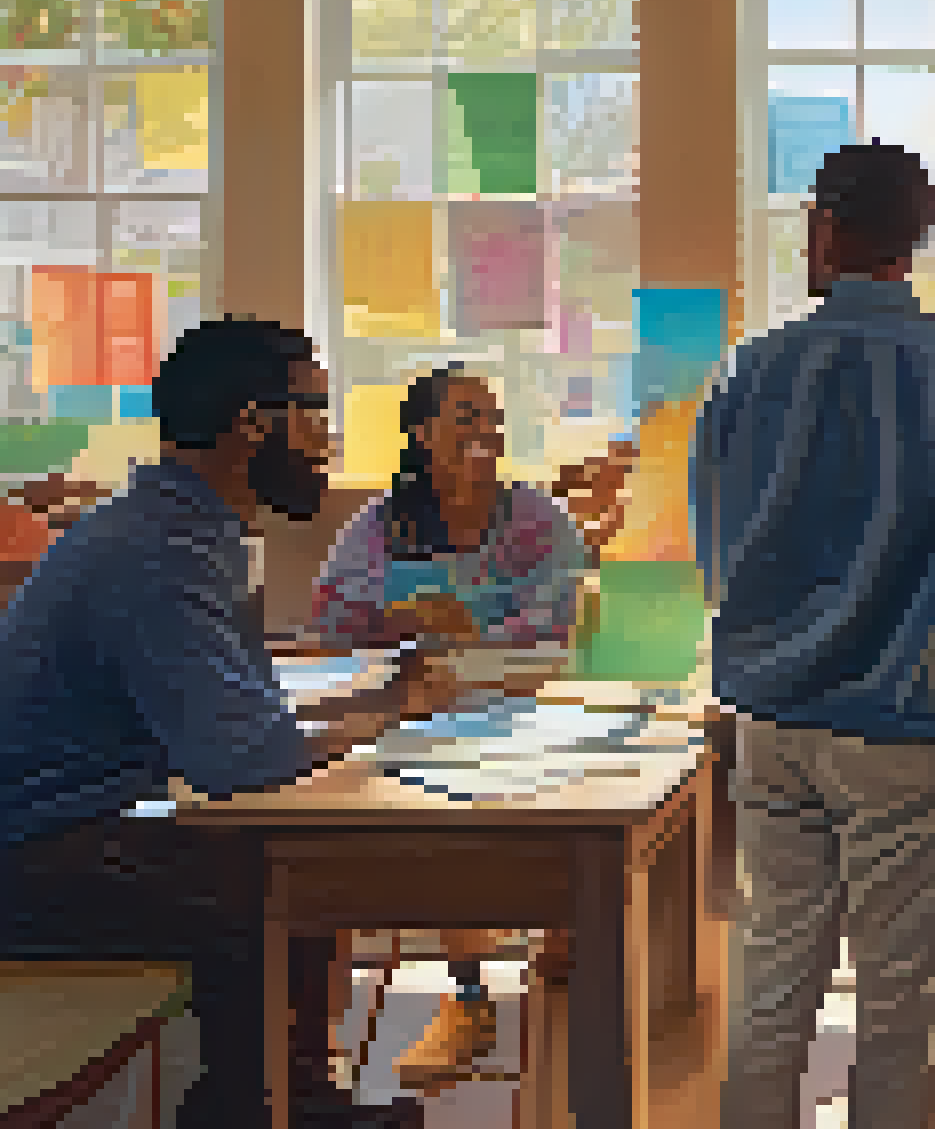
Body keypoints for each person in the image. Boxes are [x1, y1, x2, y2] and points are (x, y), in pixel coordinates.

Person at [0, 318, 457, 1128]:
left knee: (287, 865)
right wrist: (389, 709)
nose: (329, 439)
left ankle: (289, 1100)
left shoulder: (181, 529)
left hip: (61, 833)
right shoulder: (160, 552)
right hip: (28, 862)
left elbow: (247, 716)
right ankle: (256, 1110)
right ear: (254, 422)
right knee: (280, 885)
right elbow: (242, 759)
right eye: (317, 411)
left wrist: (374, 703)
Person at [692, 140, 935, 1129]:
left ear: (822, 230)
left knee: (772, 983)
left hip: (773, 717)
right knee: (896, 1009)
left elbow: (718, 548)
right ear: (915, 242)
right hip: (905, 723)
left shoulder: (749, 371)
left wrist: (763, 654)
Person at [305, 365, 593, 1094]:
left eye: (491, 418)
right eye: (466, 418)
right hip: (424, 712)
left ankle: (555, 946)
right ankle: (468, 995)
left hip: (530, 707)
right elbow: (332, 614)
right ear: (422, 434)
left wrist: (478, 634)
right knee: (428, 824)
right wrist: (392, 619)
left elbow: (565, 607)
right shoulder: (384, 522)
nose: (484, 433)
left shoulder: (534, 516)